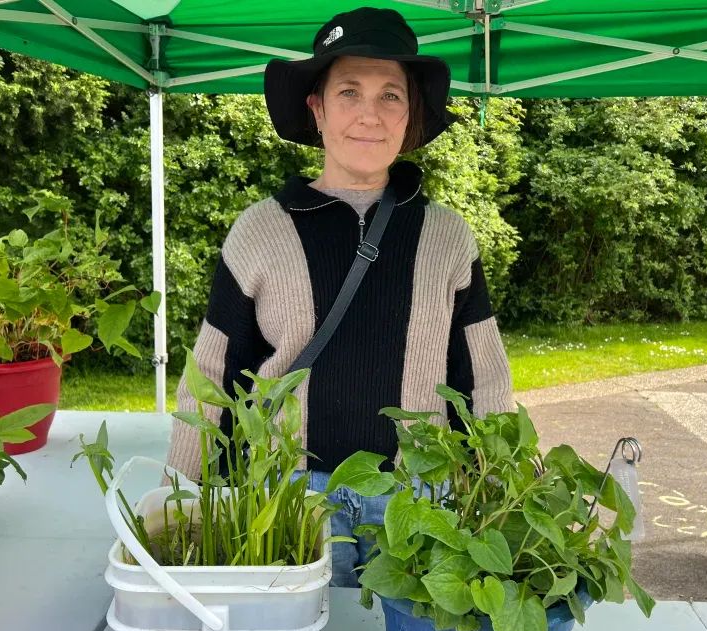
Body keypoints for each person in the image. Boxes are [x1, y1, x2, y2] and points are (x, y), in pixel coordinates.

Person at [165, 6, 514, 587]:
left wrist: (500, 495)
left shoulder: (447, 237)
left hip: (417, 503)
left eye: (391, 96)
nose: (369, 115)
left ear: (411, 114)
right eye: (349, 91)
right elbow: (212, 374)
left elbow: (483, 378)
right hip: (287, 502)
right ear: (317, 107)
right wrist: (183, 501)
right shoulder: (259, 231)